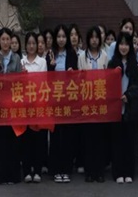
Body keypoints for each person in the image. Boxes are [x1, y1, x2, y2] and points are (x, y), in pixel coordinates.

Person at [0, 28, 22, 185]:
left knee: (13, 140)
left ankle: (13, 175)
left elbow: (20, 81)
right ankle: (1, 175)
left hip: (13, 103)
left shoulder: (17, 58)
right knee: (0, 140)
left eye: (8, 39)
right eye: (2, 39)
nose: (5, 42)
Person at [108, 32, 138, 184]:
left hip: (130, 109)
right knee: (117, 142)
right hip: (115, 109)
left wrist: (128, 95)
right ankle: (118, 172)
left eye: (126, 44)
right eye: (121, 44)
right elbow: (107, 84)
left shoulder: (134, 64)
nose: (123, 47)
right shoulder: (112, 63)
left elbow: (137, 86)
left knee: (130, 141)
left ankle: (129, 172)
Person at [78, 26, 110, 183]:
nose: (94, 40)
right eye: (92, 37)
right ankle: (89, 171)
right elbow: (78, 78)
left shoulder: (105, 56)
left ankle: (99, 171)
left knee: (100, 138)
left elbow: (108, 78)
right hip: (87, 102)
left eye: (97, 37)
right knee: (88, 138)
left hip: (101, 102)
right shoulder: (81, 57)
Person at [49, 24, 79, 183]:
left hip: (68, 100)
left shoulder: (72, 53)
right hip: (54, 100)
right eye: (58, 36)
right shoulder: (50, 54)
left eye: (63, 36)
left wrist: (72, 73)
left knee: (67, 136)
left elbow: (77, 75)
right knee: (55, 136)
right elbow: (45, 78)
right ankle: (55, 169)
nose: (61, 39)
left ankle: (66, 169)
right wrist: (52, 67)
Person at [19, 32, 48, 183]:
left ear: (37, 45)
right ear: (25, 45)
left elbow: (43, 82)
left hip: (38, 104)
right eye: (29, 43)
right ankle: (26, 170)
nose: (31, 46)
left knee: (38, 139)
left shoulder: (42, 62)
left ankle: (37, 170)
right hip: (24, 105)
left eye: (34, 43)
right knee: (26, 139)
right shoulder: (21, 61)